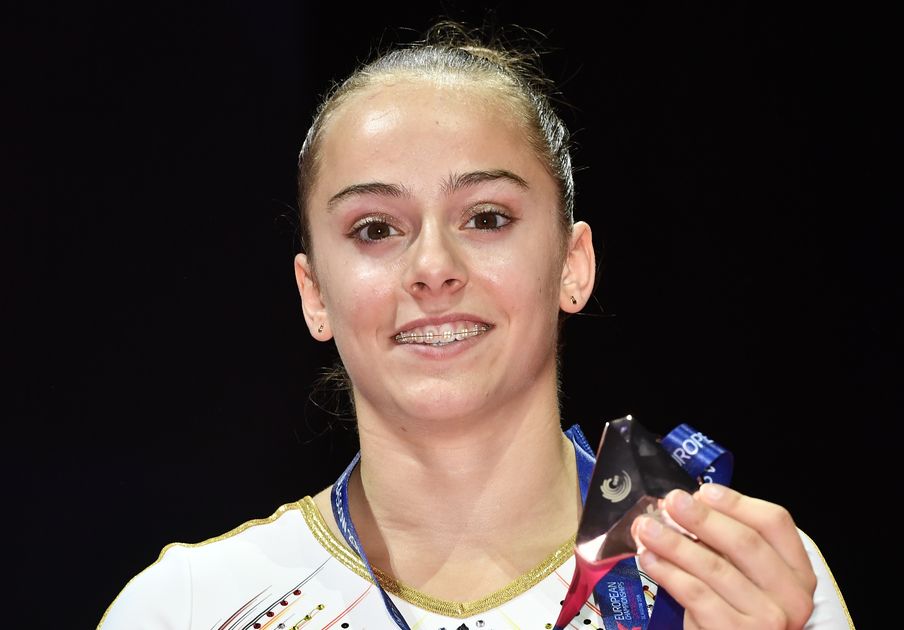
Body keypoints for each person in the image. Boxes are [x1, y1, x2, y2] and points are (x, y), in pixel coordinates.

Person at [97, 19, 855, 630]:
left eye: (486, 217)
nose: (433, 266)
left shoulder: (733, 575)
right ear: (314, 293)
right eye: (375, 229)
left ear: (573, 264)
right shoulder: (188, 609)